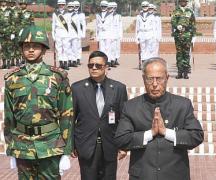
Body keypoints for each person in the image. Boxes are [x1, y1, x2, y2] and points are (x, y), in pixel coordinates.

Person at [114, 57, 204, 180]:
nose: (155, 84)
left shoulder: (182, 105)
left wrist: (166, 132)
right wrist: (149, 134)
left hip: (175, 175)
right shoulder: (131, 107)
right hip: (143, 175)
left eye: (159, 78)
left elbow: (196, 135)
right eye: (150, 79)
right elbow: (121, 139)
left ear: (167, 78)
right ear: (143, 79)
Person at [4, 25, 73, 179]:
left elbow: (66, 116)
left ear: (44, 49)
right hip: (22, 145)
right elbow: (9, 117)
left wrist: (66, 151)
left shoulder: (57, 77)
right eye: (27, 46)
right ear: (21, 49)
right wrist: (11, 149)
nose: (30, 50)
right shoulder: (12, 79)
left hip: (50, 144)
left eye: (35, 46)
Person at [71, 51, 128, 180]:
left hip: (110, 145)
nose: (94, 68)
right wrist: (71, 145)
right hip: (86, 145)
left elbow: (124, 119)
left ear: (106, 67)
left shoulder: (119, 88)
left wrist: (123, 145)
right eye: (91, 65)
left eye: (98, 65)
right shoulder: (77, 88)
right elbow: (71, 118)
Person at [171, 0, 196, 79]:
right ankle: (179, 72)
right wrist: (176, 26)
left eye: (184, 1)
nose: (183, 3)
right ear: (179, 2)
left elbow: (193, 24)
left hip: (187, 36)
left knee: (186, 54)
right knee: (179, 54)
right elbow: (172, 21)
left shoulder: (190, 12)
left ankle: (185, 72)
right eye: (181, 1)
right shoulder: (176, 11)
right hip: (178, 36)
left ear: (186, 2)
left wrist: (194, 36)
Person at [52, 0, 70, 70]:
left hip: (65, 32)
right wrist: (53, 34)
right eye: (60, 5)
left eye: (62, 4)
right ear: (58, 5)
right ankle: (61, 62)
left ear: (65, 5)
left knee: (66, 48)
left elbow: (69, 25)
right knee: (59, 48)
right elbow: (53, 24)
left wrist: (69, 34)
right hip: (58, 32)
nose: (61, 6)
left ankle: (65, 62)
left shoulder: (68, 14)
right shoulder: (55, 14)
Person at [107, 2, 123, 66]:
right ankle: (111, 60)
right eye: (110, 8)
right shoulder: (107, 16)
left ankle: (115, 59)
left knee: (116, 48)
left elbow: (120, 26)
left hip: (116, 34)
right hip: (109, 35)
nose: (111, 9)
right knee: (110, 48)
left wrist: (120, 35)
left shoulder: (118, 16)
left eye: (113, 8)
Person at [66, 1, 79, 67]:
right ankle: (69, 60)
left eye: (71, 6)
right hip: (67, 34)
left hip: (74, 34)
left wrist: (78, 34)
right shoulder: (65, 15)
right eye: (69, 6)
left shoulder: (76, 15)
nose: (70, 8)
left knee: (74, 48)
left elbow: (78, 26)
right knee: (68, 48)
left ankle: (74, 61)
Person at [73, 0, 86, 66]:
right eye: (75, 6)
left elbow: (83, 24)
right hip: (71, 33)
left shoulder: (81, 14)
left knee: (78, 47)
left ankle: (78, 59)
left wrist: (83, 33)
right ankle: (73, 59)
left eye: (77, 6)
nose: (76, 7)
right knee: (72, 47)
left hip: (78, 33)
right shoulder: (69, 14)